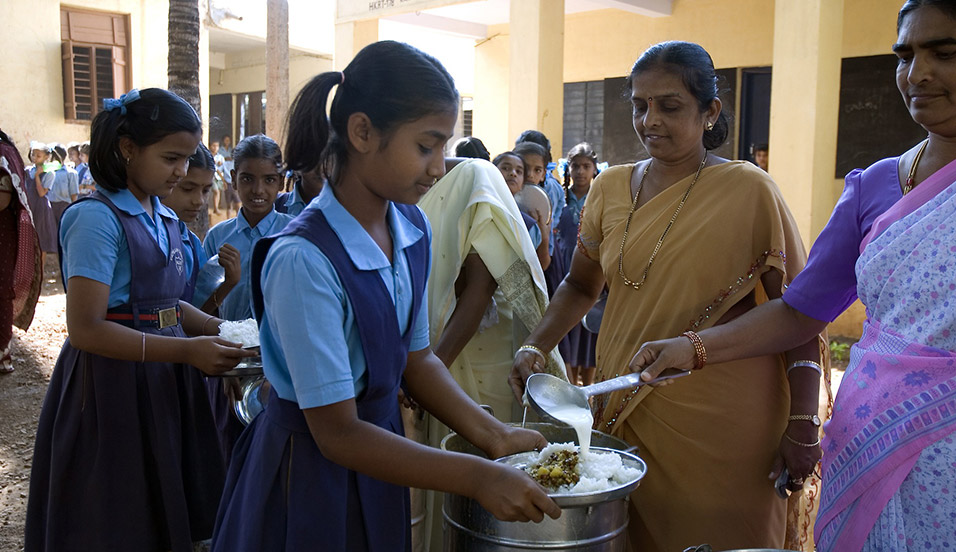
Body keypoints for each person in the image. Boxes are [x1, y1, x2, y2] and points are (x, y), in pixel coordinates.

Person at [211, 41, 561, 552]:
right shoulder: (303, 259)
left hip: (383, 460)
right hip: (309, 476)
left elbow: (417, 361)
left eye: (444, 147)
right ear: (361, 132)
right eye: (426, 146)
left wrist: (495, 436)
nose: (439, 168)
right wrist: (477, 477)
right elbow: (337, 433)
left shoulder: (412, 228)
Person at [630, 3, 956, 550]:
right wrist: (691, 348)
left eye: (943, 52)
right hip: (869, 442)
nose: (917, 72)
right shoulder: (875, 186)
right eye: (905, 54)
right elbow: (800, 311)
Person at [510, 41, 829, 552]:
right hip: (623, 408)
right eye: (639, 105)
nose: (650, 120)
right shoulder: (610, 188)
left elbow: (799, 314)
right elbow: (579, 284)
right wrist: (534, 344)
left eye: (670, 106)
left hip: (721, 427)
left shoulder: (749, 190)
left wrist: (804, 423)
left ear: (710, 112)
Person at [25, 88, 254, 552]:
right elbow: (87, 328)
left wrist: (224, 333)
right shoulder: (96, 219)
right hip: (113, 385)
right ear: (128, 149)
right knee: (117, 510)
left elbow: (165, 307)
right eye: (171, 158)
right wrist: (187, 350)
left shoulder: (164, 218)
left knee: (165, 503)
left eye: (187, 159)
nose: (182, 172)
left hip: (165, 381)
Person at [414, 158, 569, 550]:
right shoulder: (407, 187)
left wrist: (429, 371)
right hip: (440, 355)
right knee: (457, 477)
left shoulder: (473, 179)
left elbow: (478, 294)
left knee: (493, 481)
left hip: (477, 358)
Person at [202, 134, 292, 459]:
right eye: (248, 179)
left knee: (273, 455)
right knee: (227, 452)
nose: (258, 190)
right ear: (232, 179)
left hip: (280, 367)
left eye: (269, 180)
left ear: (281, 182)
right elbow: (200, 306)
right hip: (228, 366)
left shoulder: (293, 234)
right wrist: (229, 282)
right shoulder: (218, 238)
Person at [556, 142, 601, 386]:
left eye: (586, 166)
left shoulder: (600, 198)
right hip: (564, 269)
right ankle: (570, 385)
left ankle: (590, 389)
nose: (581, 171)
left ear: (595, 169)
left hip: (592, 269)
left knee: (589, 329)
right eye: (576, 166)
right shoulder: (559, 199)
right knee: (568, 328)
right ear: (568, 168)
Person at [0, 128, 41, 374]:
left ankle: (2, 354)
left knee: (1, 292)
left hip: (3, 238)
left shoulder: (2, 153)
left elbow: (2, 200)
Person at [160, 143, 216, 303]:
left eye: (205, 191)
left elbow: (197, 310)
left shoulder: (193, 244)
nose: (199, 201)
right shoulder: (148, 236)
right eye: (187, 189)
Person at [512, 142, 553, 271]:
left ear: (543, 174)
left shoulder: (543, 207)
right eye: (525, 168)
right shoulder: (501, 199)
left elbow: (543, 264)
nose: (530, 174)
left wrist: (544, 237)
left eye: (537, 170)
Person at [23, 143, 57, 260]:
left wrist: (37, 176)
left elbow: (42, 193)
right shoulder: (27, 170)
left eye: (38, 155)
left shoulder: (49, 173)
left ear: (46, 157)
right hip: (29, 206)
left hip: (40, 208)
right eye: (33, 154)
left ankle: (40, 272)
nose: (34, 158)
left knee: (41, 241)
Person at [48, 144, 79, 228]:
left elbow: (74, 194)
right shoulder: (47, 172)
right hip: (49, 206)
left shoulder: (70, 173)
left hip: (64, 207)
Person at [209, 140, 224, 215]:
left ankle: (216, 207)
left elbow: (223, 167)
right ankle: (215, 208)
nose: (215, 148)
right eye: (213, 146)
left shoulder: (220, 157)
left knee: (218, 192)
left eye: (217, 146)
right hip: (211, 176)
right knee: (216, 191)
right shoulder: (208, 155)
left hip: (219, 177)